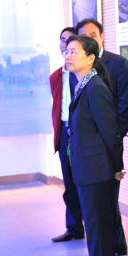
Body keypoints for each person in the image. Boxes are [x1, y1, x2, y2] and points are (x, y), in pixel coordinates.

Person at [65, 34, 125, 256]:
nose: (68, 56)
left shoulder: (95, 87)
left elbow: (110, 132)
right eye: (67, 51)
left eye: (74, 52)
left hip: (97, 170)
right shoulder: (83, 84)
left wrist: (117, 166)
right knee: (95, 229)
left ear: (91, 58)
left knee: (99, 231)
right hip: (88, 168)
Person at [75, 19, 128, 256]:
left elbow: (125, 104)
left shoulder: (117, 63)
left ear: (102, 37)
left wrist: (114, 137)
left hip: (108, 143)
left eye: (92, 35)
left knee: (106, 204)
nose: (88, 39)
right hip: (89, 148)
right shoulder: (78, 70)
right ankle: (110, 249)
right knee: (100, 208)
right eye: (83, 36)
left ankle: (109, 251)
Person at [50, 26, 84, 243]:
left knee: (86, 183)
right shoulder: (56, 76)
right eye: (63, 40)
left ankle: (98, 232)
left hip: (82, 133)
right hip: (64, 131)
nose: (65, 45)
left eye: (70, 41)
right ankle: (74, 228)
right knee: (69, 183)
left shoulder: (84, 73)